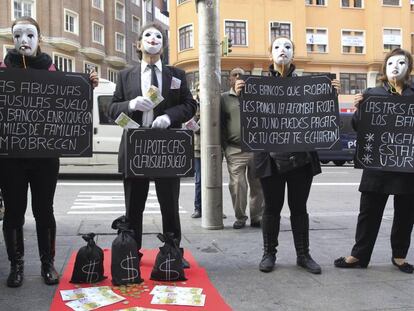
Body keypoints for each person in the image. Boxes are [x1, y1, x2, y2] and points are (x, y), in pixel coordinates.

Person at [0, 16, 99, 288]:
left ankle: (47, 264)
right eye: (18, 35)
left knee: (44, 210)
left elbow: (71, 103)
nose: (24, 41)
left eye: (30, 35)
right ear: (12, 39)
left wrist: (87, 85)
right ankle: (16, 266)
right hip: (11, 157)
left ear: (39, 39)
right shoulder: (2, 69)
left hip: (44, 157)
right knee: (14, 213)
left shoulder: (53, 70)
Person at [235, 37, 340, 274]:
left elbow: (321, 115)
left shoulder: (311, 86)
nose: (282, 51)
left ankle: (303, 255)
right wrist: (242, 95)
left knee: (299, 207)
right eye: (277, 47)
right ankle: (268, 253)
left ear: (294, 54)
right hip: (270, 158)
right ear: (269, 55)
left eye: (288, 47)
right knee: (271, 208)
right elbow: (250, 119)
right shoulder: (254, 85)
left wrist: (331, 94)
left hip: (300, 159)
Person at [108, 22, 196, 267]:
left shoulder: (176, 75)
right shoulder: (126, 75)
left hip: (166, 147)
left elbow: (190, 105)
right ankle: (131, 252)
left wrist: (169, 117)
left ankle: (172, 250)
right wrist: (131, 105)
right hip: (136, 145)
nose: (153, 39)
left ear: (163, 44)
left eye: (159, 36)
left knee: (169, 204)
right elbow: (112, 110)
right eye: (148, 35)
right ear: (138, 44)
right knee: (134, 204)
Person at [334, 48, 414, 274]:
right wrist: (359, 108)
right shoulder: (372, 93)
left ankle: (399, 256)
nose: (395, 67)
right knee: (369, 213)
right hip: (377, 166)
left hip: (407, 167)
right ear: (384, 69)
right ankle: (359, 255)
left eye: (401, 63)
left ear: (408, 68)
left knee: (405, 214)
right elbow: (358, 127)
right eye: (390, 63)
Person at [221, 68, 264, 229]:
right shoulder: (224, 99)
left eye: (241, 74)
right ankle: (240, 217)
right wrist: (224, 147)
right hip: (235, 149)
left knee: (258, 185)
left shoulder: (256, 96)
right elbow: (220, 124)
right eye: (235, 75)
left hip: (255, 148)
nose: (238, 77)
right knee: (238, 184)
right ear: (230, 80)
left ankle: (257, 217)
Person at [191, 86, 202, 218]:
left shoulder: (214, 102)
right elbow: (191, 126)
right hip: (198, 149)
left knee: (215, 180)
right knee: (199, 180)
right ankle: (198, 208)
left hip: (215, 148)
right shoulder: (194, 106)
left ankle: (216, 207)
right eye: (198, 89)